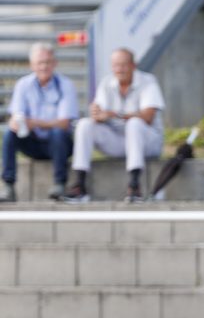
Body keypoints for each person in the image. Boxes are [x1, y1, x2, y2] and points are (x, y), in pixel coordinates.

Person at [63, 47, 164, 203]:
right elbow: (100, 114)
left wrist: (115, 114)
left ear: (133, 65)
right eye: (116, 65)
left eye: (123, 65)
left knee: (134, 123)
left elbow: (148, 117)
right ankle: (79, 186)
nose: (119, 69)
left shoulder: (148, 81)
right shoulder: (106, 83)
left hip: (148, 144)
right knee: (84, 124)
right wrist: (96, 114)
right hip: (119, 142)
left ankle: (134, 186)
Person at [1, 42, 78, 201]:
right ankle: (8, 186)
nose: (44, 67)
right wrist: (16, 122)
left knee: (57, 133)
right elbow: (16, 115)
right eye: (40, 63)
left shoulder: (66, 85)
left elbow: (64, 123)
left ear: (55, 63)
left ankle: (59, 184)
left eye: (47, 62)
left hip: (60, 145)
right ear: (32, 65)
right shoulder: (23, 85)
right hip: (33, 143)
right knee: (9, 133)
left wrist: (34, 123)